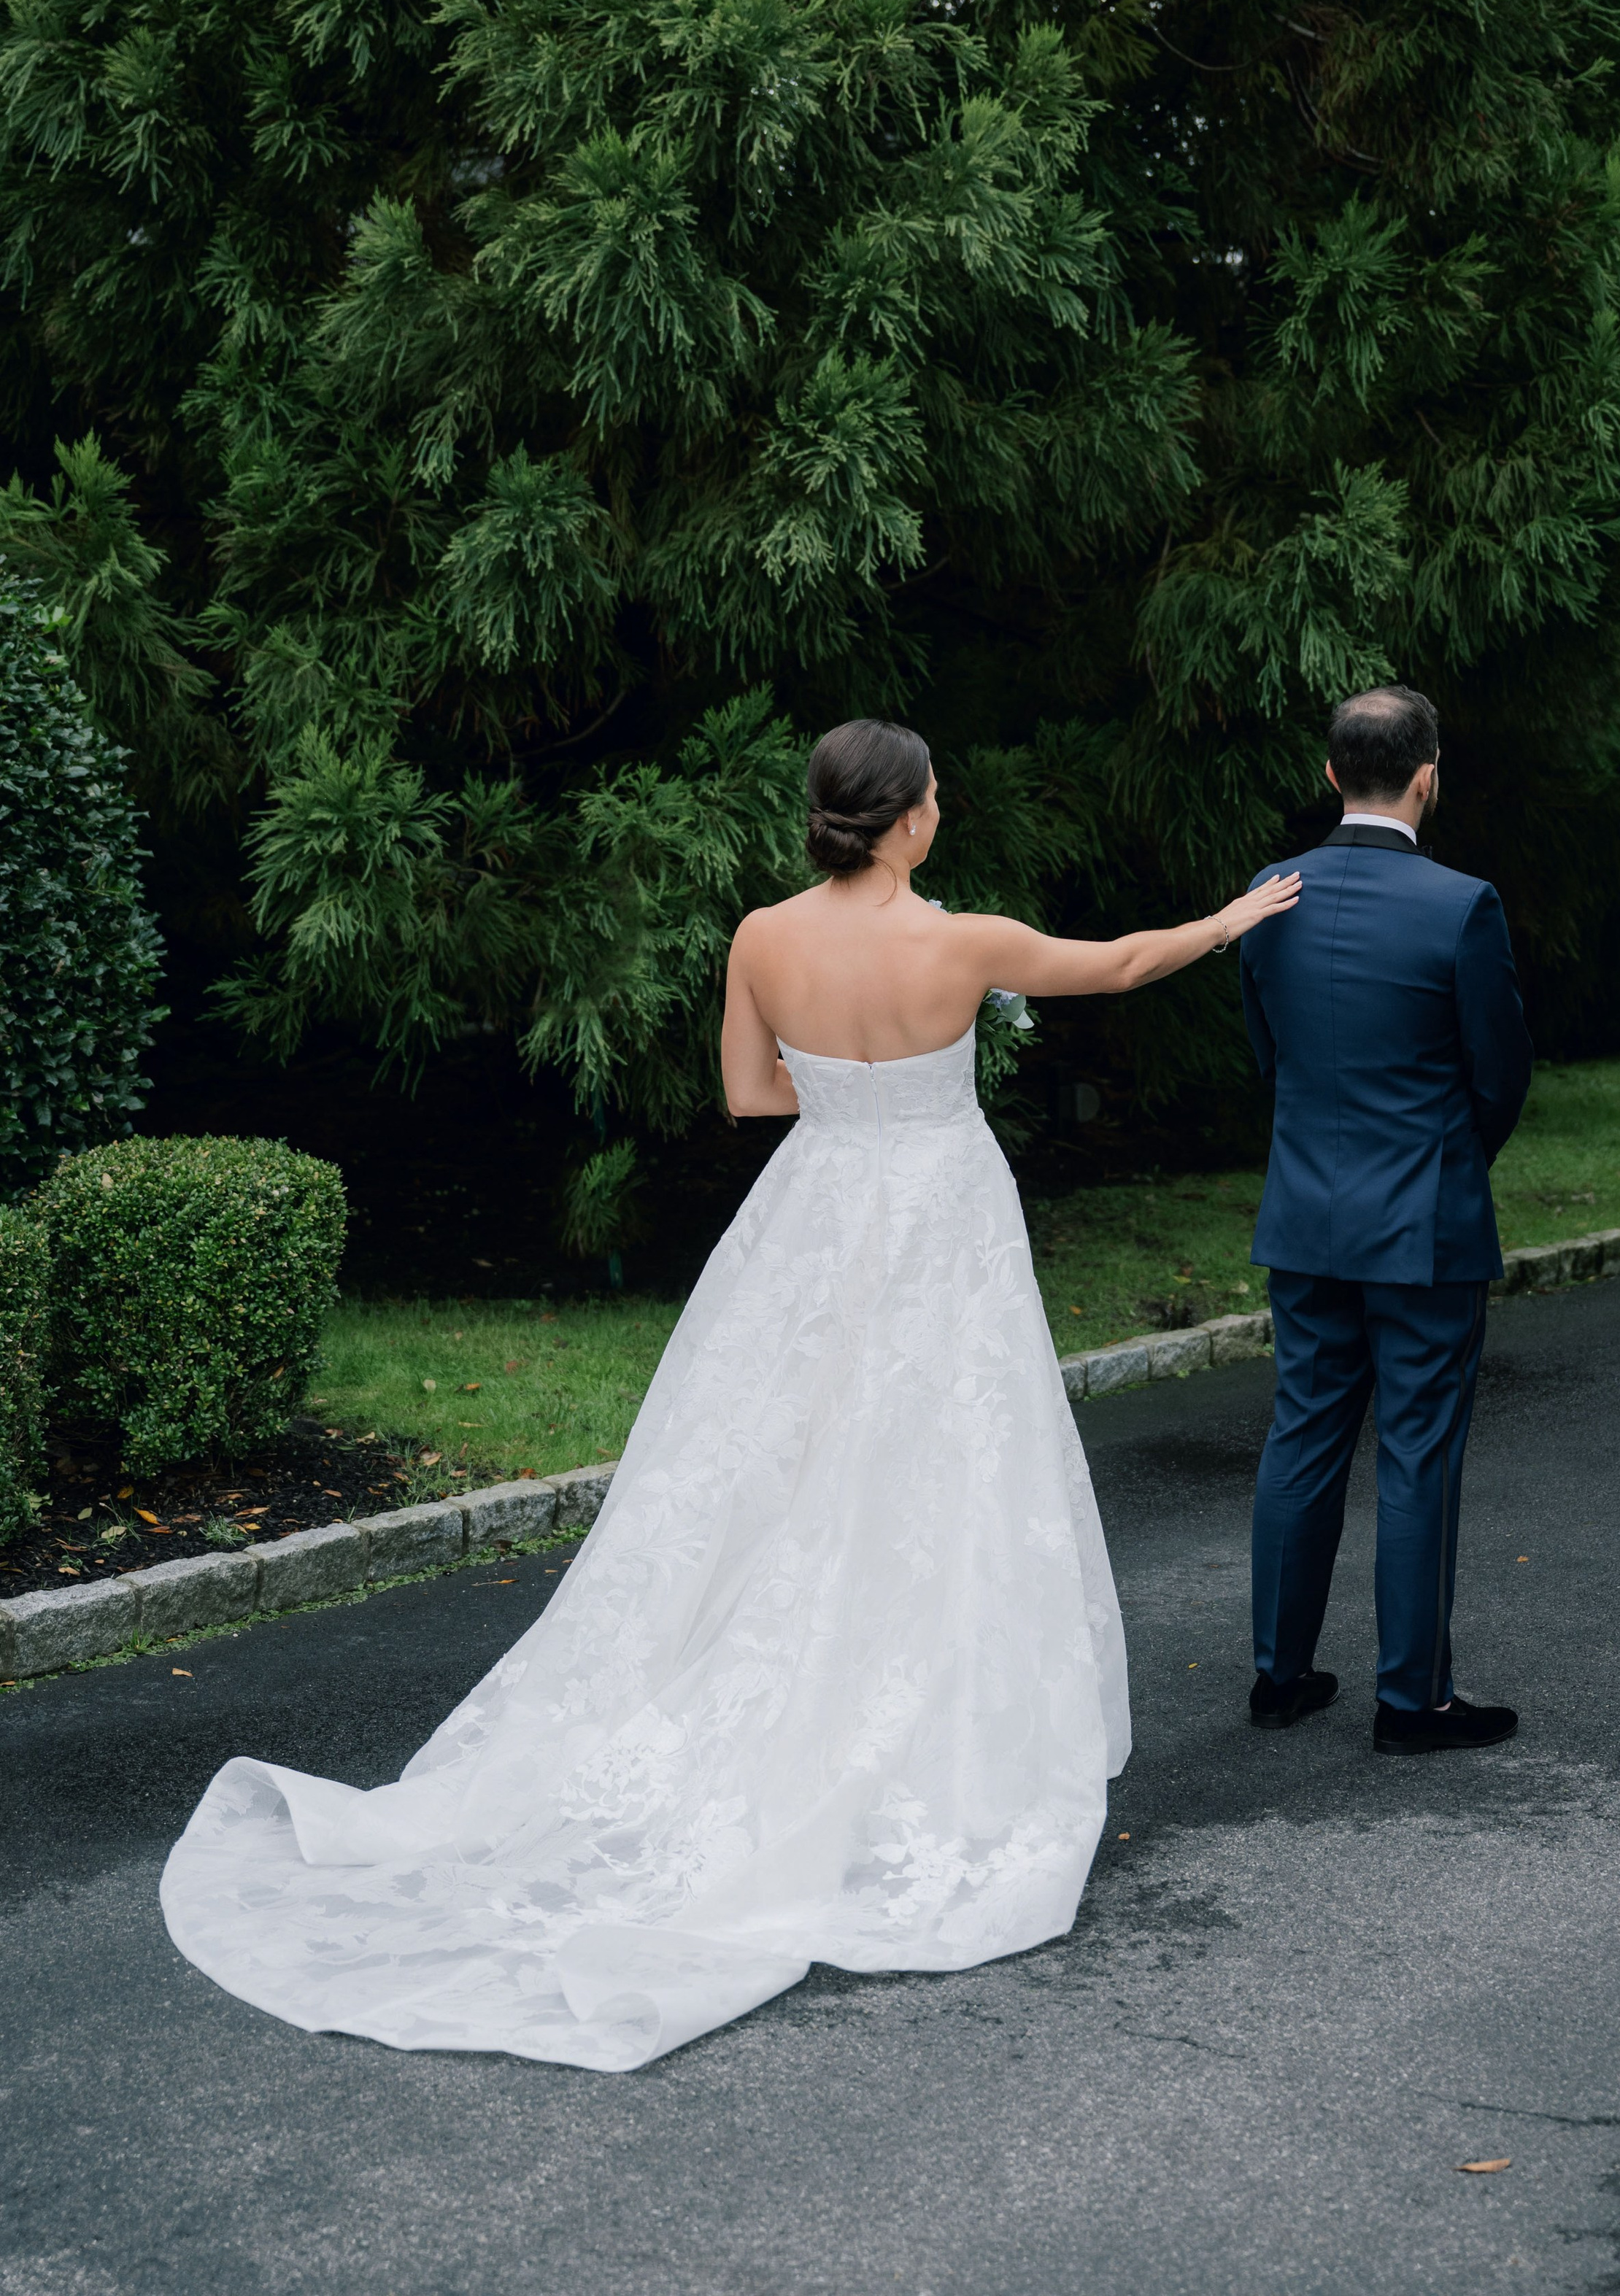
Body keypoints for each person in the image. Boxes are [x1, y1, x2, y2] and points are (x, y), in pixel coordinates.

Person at [161, 719, 1300, 2072]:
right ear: (912, 819)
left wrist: (847, 1096)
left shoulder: (762, 934)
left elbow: (748, 1094)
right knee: (943, 1461)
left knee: (776, 1460)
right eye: (937, 796)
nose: (942, 810)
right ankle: (915, 1727)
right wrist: (1232, 917)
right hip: (939, 1213)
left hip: (814, 1211)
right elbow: (1116, 966)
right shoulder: (965, 943)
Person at [1236, 684, 1532, 1755]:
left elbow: (1268, 1054)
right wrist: (1451, 1161)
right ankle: (1411, 1701)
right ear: (1427, 775)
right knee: (1417, 1451)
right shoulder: (1463, 906)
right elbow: (1499, 1075)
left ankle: (1279, 1675)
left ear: (1330, 776)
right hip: (1423, 1224)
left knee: (1304, 1431)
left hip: (1304, 1212)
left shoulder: (1268, 894)